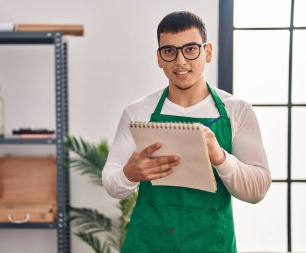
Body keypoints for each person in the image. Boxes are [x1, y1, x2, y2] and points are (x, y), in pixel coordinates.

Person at [102, 11, 271, 253]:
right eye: (169, 51)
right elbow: (111, 182)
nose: (180, 61)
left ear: (208, 52)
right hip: (148, 243)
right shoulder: (138, 112)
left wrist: (219, 157)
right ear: (159, 58)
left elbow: (257, 190)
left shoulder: (238, 111)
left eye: (190, 49)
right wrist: (129, 174)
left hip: (211, 244)